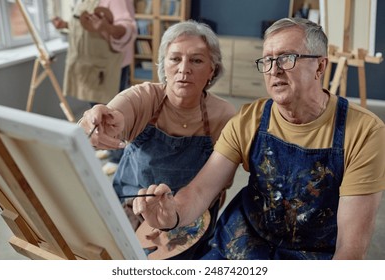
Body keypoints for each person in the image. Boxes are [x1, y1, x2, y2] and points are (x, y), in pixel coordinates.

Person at [132, 17, 385, 260]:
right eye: (267, 60)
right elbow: (200, 190)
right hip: (240, 244)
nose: (274, 70)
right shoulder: (249, 119)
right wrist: (173, 213)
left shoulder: (364, 132)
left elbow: (350, 249)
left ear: (319, 66)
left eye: (287, 58)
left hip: (310, 257)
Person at [78, 20, 236, 259]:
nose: (184, 69)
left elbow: (219, 186)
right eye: (175, 59)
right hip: (130, 202)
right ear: (163, 65)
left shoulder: (224, 115)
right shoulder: (144, 97)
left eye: (196, 60)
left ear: (212, 70)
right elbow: (114, 115)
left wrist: (174, 215)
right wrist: (97, 122)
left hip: (188, 214)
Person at [52, 0, 137, 174]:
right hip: (89, 65)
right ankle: (106, 146)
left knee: (112, 112)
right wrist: (66, 24)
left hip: (108, 65)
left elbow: (129, 28)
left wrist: (107, 28)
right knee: (96, 109)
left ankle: (118, 156)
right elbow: (84, 24)